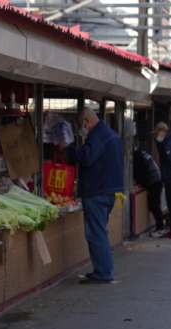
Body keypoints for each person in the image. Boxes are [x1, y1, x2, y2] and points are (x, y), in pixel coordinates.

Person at [66, 108, 123, 284]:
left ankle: (103, 273)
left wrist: (69, 150)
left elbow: (87, 157)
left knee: (96, 234)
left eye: (80, 126)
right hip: (107, 191)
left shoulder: (98, 136)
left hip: (97, 191)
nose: (80, 130)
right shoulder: (109, 134)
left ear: (86, 122)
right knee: (100, 232)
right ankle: (102, 270)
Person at [133, 147, 164, 237]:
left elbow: (139, 172)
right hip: (156, 180)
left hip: (153, 182)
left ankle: (160, 227)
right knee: (155, 205)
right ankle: (160, 226)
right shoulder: (143, 152)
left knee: (154, 205)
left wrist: (140, 183)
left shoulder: (137, 156)